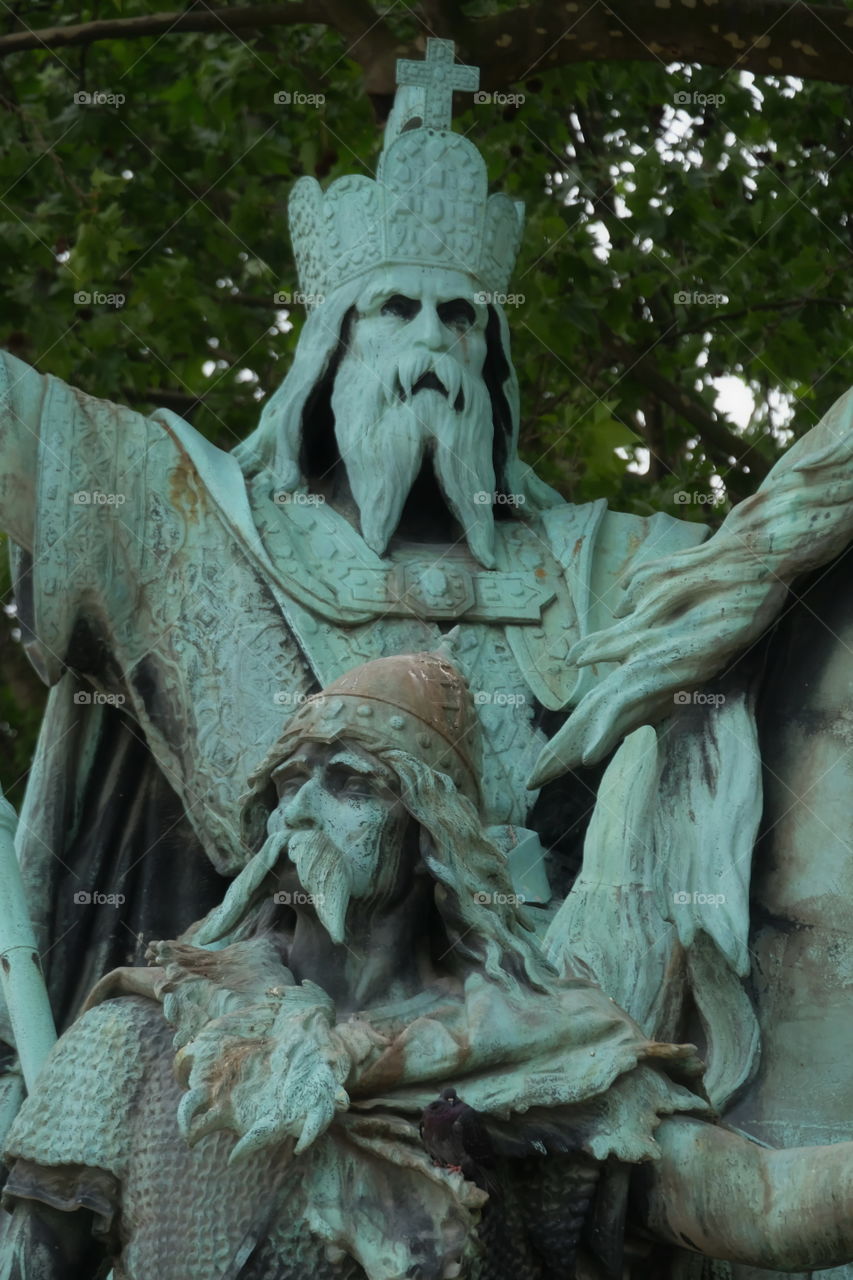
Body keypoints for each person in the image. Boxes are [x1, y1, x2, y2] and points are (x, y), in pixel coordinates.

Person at [4, 653, 853, 1280]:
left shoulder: (546, 1062)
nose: (297, 812)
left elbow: (761, 1206)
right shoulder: (139, 1042)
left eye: (346, 782)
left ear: (429, 837)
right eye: (287, 786)